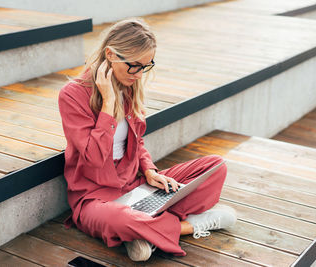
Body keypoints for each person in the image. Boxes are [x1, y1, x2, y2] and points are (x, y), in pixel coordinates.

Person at [58, 17, 237, 262]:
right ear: (110, 54)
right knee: (120, 219)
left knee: (216, 166)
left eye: (146, 66)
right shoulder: (72, 95)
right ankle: (190, 226)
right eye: (134, 66)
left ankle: (146, 232)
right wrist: (108, 104)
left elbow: (137, 143)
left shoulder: (129, 85)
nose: (140, 73)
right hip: (95, 197)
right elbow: (94, 160)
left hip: (136, 186)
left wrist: (150, 171)